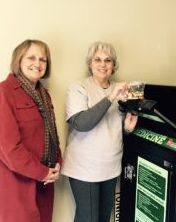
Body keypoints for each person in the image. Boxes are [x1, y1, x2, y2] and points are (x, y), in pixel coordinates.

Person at [61, 41, 138, 222]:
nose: (103, 64)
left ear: (113, 65)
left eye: (108, 60)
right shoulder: (78, 87)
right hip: (85, 167)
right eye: (97, 60)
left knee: (104, 217)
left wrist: (127, 128)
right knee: (88, 218)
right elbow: (81, 124)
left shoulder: (121, 90)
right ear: (90, 63)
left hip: (111, 166)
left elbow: (111, 130)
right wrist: (111, 97)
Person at [0, 39, 62, 222]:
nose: (38, 63)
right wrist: (41, 172)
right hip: (16, 185)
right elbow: (7, 148)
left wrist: (57, 163)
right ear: (19, 60)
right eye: (31, 57)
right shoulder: (4, 91)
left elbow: (52, 134)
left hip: (45, 183)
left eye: (43, 59)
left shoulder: (44, 94)